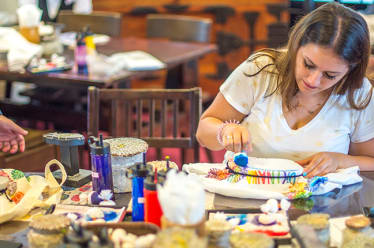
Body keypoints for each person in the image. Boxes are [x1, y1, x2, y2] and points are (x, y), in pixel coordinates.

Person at [196, 2, 374, 178]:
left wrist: (340, 160)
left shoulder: (358, 93)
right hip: (247, 196)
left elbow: (369, 160)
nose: (313, 80)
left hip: (320, 203)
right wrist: (224, 131)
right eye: (308, 64)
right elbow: (203, 133)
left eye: (330, 75)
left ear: (350, 69)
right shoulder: (261, 70)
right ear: (296, 46)